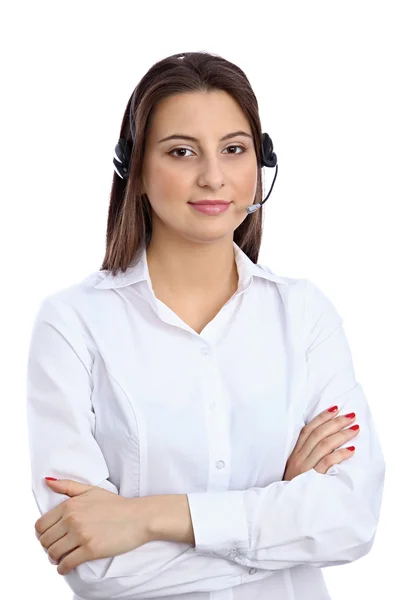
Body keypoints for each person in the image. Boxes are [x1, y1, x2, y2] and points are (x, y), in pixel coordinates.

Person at [26, 51, 386, 600]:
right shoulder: (73, 324)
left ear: (259, 164)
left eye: (234, 149)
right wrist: (280, 516)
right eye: (181, 152)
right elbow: (95, 565)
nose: (214, 176)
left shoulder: (305, 315)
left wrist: (148, 518)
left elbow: (350, 519)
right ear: (136, 169)